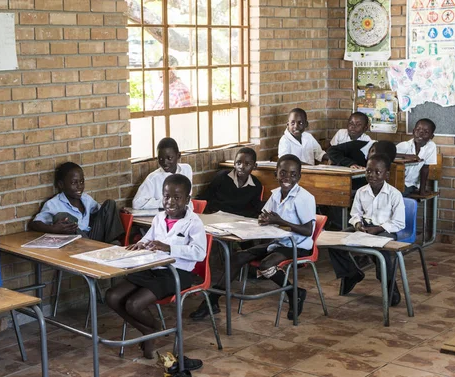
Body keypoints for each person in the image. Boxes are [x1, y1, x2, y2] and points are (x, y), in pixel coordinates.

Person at [190, 154, 315, 321]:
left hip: (297, 245)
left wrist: (279, 220)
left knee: (265, 265)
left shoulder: (304, 198)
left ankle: (294, 292)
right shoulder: (276, 194)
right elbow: (265, 216)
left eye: (293, 174)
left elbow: (308, 230)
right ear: (276, 174)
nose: (287, 177)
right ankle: (211, 302)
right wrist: (264, 219)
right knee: (236, 257)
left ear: (299, 176)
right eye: (283, 173)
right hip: (277, 242)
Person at [105, 174, 206, 361]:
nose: (170, 202)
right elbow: (149, 238)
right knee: (112, 296)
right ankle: (150, 329)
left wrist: (169, 248)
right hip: (152, 267)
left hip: (177, 273)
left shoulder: (194, 223)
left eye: (177, 197)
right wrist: (141, 244)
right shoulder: (159, 217)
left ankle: (152, 331)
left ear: (187, 200)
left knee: (134, 304)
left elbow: (199, 253)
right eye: (167, 196)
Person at [328, 154, 405, 306]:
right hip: (364, 228)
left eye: (378, 172)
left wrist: (377, 229)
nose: (372, 175)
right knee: (333, 242)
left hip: (385, 230)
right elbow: (355, 214)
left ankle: (389, 285)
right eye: (369, 171)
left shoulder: (394, 195)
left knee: (380, 247)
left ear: (386, 174)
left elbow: (398, 222)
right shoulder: (361, 192)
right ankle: (352, 273)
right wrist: (357, 224)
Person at [29, 162, 124, 243]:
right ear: (61, 185)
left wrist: (116, 212)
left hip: (92, 238)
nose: (79, 186)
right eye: (74, 183)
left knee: (110, 204)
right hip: (77, 243)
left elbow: (102, 212)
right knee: (63, 217)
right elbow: (35, 224)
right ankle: (94, 250)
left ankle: (112, 245)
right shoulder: (53, 204)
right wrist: (54, 229)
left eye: (82, 182)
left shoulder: (86, 199)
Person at [197, 147, 263, 218]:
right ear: (234, 164)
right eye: (239, 163)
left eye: (247, 164)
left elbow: (254, 209)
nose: (241, 167)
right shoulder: (222, 177)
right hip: (217, 217)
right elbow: (205, 197)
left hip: (239, 220)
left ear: (254, 166)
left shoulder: (256, 185)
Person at [132, 137, 193, 210]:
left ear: (178, 156)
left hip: (187, 214)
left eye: (169, 158)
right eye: (160, 159)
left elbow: (187, 196)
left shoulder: (186, 169)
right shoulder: (153, 178)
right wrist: (165, 202)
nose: (164, 162)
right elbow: (137, 203)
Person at [396, 118, 437, 196]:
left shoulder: (431, 147)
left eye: (426, 132)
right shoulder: (404, 145)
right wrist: (405, 156)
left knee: (398, 195)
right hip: (396, 182)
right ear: (413, 131)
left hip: (411, 184)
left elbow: (425, 169)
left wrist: (422, 190)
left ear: (431, 136)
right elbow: (386, 154)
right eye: (418, 130)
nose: (420, 133)